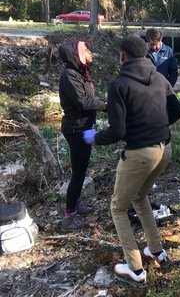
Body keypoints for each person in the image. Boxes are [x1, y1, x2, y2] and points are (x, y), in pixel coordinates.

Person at [82, 35, 180, 288]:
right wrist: (156, 126)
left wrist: (95, 138)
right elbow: (177, 110)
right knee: (139, 197)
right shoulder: (159, 78)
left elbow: (117, 131)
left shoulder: (119, 85)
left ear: (122, 56)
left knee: (118, 207)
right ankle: (156, 250)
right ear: (145, 54)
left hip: (139, 154)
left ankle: (135, 268)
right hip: (164, 149)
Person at [58, 40, 107, 232]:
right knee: (78, 173)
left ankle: (76, 201)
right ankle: (69, 216)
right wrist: (105, 106)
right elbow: (83, 102)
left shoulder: (79, 73)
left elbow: (89, 98)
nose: (89, 51)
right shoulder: (69, 75)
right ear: (76, 55)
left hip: (84, 127)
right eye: (85, 50)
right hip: (76, 129)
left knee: (82, 169)